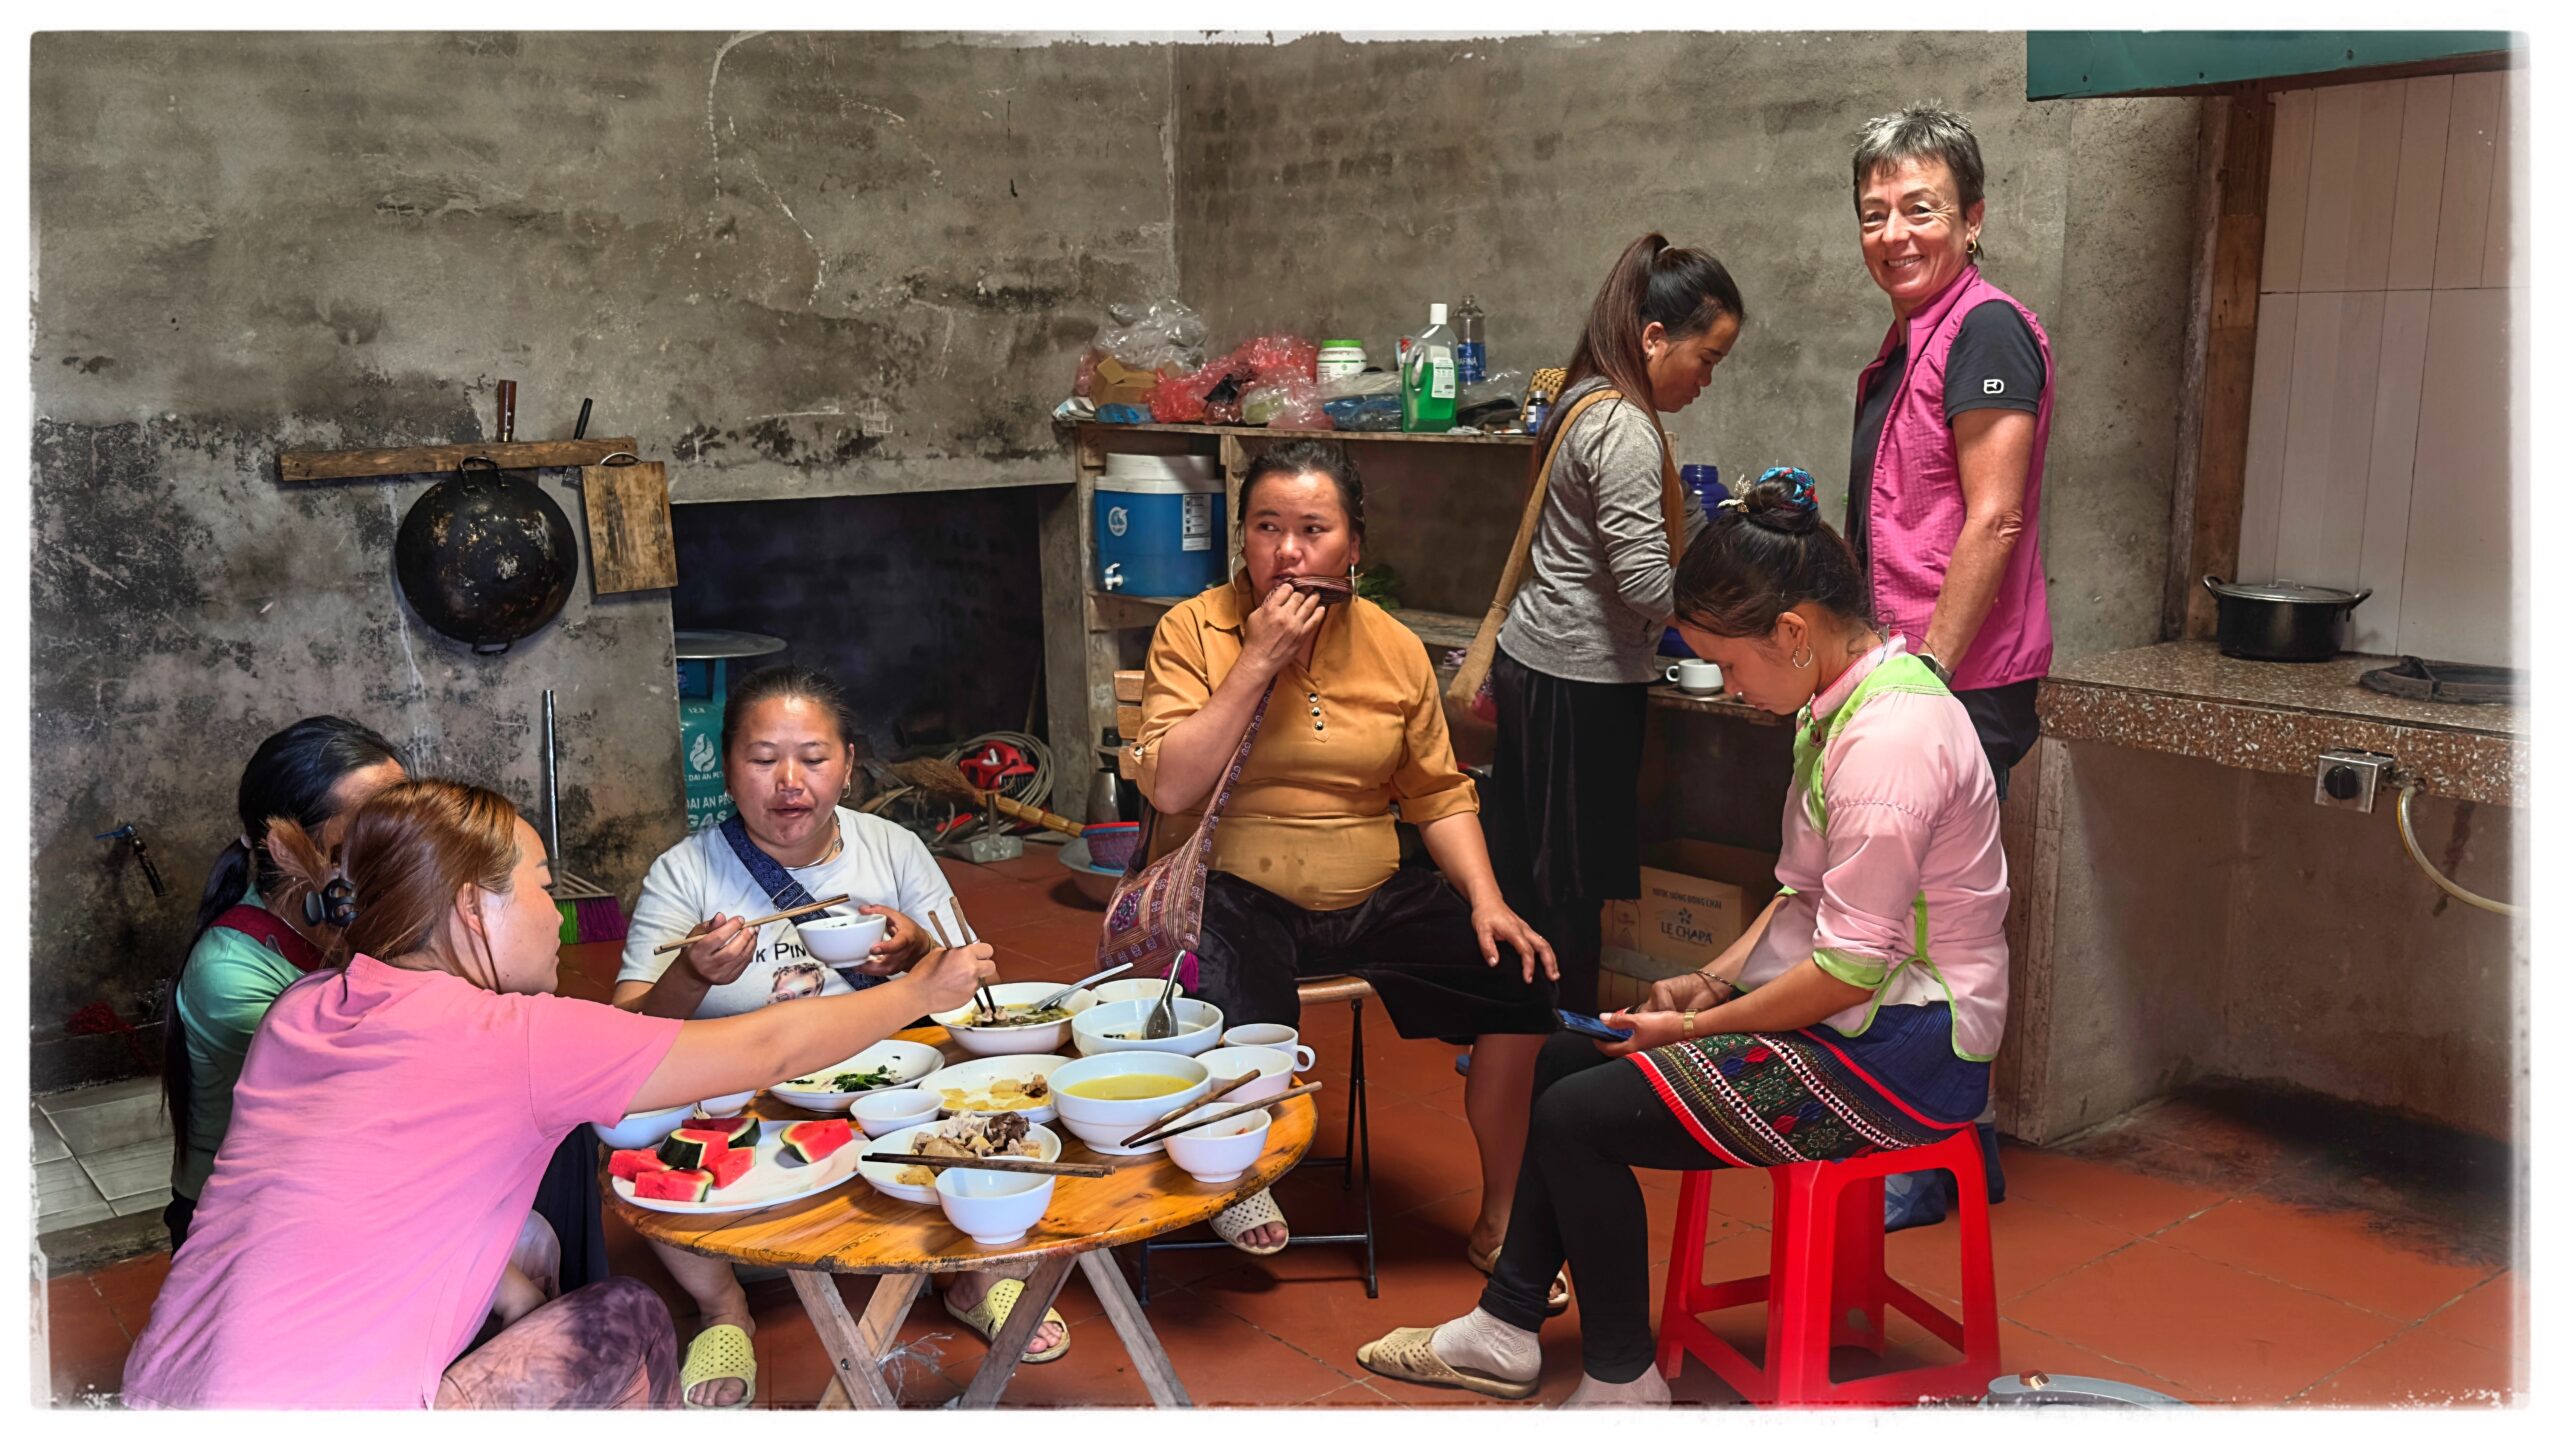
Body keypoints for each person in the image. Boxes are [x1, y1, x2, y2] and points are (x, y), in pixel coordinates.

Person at [1358, 472, 2010, 1406]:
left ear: (1793, 633)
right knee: (1558, 1062)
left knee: (1578, 1119)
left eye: (1731, 665)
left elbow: (1847, 971)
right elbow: (1802, 897)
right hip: (1858, 1017)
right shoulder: (1842, 703)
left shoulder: (1890, 744)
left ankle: (1624, 1384)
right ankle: (1507, 1325)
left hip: (1907, 1053)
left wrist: (1696, 1030)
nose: (1732, 688)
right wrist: (1707, 981)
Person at [120, 778, 1000, 1408]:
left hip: (160, 1394)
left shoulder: (304, 1006)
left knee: (529, 1244)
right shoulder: (512, 1037)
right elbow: (765, 1047)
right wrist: (920, 990)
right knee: (627, 1314)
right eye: (543, 887)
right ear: (474, 908)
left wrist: (510, 1285)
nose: (559, 916)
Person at [1128, 438, 1561, 1290]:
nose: (1287, 552)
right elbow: (1172, 785)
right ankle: (1236, 1164)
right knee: (1228, 964)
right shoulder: (1195, 630)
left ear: (1353, 544)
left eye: (1313, 529)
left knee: (1521, 980)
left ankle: (1504, 1214)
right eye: (1266, 527)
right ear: (1242, 539)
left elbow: (1437, 795)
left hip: (1367, 888)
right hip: (1233, 883)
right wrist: (1258, 659)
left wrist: (1486, 900)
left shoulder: (1393, 648)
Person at [613, 664, 1061, 1402]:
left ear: (848, 765)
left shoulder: (893, 848)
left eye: (813, 758)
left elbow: (975, 981)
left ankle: (975, 1277)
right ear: (727, 767)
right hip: (744, 1104)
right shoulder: (685, 872)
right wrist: (692, 975)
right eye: (764, 758)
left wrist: (919, 950)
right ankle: (723, 1308)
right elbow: (625, 1038)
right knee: (624, 1120)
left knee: (999, 1075)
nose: (789, 782)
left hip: (891, 1087)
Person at [1844, 103, 2053, 1229]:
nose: (1895, 233)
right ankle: (1951, 1147)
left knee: (1935, 927)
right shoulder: (1908, 342)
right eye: (1874, 213)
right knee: (1918, 919)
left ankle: (1927, 1165)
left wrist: (1922, 673)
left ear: (1972, 219)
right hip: (1914, 673)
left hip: (1957, 681)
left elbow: (1994, 518)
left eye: (1920, 209)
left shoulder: (1986, 333)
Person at [1484, 233, 1746, 1020]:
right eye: (1706, 358)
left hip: (1541, 665)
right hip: (1579, 682)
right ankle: (1559, 1045)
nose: (1706, 379)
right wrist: (1738, 627)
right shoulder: (1624, 425)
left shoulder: (1583, 397)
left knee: (1532, 880)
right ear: (1655, 337)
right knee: (1569, 892)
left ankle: (1513, 1040)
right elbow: (1644, 583)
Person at [161, 717, 408, 1249]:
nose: (402, 850)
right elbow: (348, 1104)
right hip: (241, 1222)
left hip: (326, 1189)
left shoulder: (365, 922)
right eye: (370, 835)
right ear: (287, 849)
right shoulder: (228, 971)